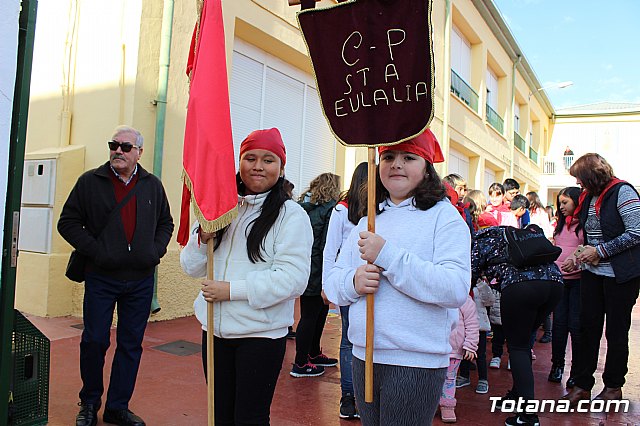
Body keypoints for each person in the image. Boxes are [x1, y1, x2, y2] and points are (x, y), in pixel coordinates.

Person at [324, 129, 471, 425]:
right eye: (388, 157)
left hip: (417, 361)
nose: (396, 164)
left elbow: (454, 288)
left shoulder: (445, 218)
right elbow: (333, 282)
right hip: (364, 357)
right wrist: (353, 282)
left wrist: (388, 257)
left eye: (409, 157)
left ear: (427, 168)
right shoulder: (370, 219)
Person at [180, 128, 313, 425]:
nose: (257, 166)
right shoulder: (219, 206)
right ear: (239, 162)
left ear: (281, 168)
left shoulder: (291, 215)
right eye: (250, 158)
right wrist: (202, 237)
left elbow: (293, 279)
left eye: (268, 160)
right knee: (219, 414)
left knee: (249, 418)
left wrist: (231, 290)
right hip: (214, 331)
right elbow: (190, 267)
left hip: (260, 336)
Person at [58, 125, 174, 426]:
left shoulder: (152, 185)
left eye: (125, 147)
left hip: (140, 279)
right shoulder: (90, 182)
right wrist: (98, 252)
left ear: (139, 152)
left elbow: (166, 223)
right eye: (114, 145)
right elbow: (68, 222)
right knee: (94, 341)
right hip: (102, 277)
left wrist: (155, 251)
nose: (118, 151)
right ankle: (89, 403)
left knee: (131, 345)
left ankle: (117, 407)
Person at [563, 153, 640, 406]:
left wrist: (600, 252)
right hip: (593, 275)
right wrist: (578, 255)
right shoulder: (589, 197)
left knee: (616, 332)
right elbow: (590, 237)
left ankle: (613, 386)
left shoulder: (623, 192)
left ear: (592, 176)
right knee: (587, 329)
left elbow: (636, 232)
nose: (578, 184)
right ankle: (583, 385)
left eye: (580, 179)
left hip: (620, 277)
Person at [472, 224, 562, 426]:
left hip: (521, 287)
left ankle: (529, 416)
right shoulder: (511, 233)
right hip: (555, 284)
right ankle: (516, 395)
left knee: (518, 348)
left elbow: (469, 276)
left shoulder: (477, 242)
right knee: (522, 343)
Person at [322, 161, 368, 419]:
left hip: (368, 283)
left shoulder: (379, 210)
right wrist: (327, 286)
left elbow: (330, 250)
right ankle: (350, 396)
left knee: (352, 341)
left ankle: (353, 397)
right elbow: (331, 249)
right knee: (351, 340)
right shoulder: (342, 210)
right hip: (350, 283)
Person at [291, 173, 341, 378]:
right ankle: (301, 363)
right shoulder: (329, 210)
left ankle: (312, 353)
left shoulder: (302, 207)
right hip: (318, 269)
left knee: (317, 313)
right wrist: (326, 276)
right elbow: (326, 246)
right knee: (312, 316)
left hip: (305, 266)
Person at [547, 187, 583, 388]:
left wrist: (576, 260)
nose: (561, 207)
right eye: (560, 203)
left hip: (578, 282)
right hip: (560, 282)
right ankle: (557, 366)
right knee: (559, 325)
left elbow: (588, 251)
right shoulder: (559, 226)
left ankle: (576, 371)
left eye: (565, 203)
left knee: (576, 326)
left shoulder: (585, 226)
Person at [440, 295, 479, 423]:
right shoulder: (432, 294)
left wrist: (470, 345)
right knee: (429, 377)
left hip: (454, 350)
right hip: (433, 348)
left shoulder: (464, 299)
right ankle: (428, 403)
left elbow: (472, 324)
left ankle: (447, 405)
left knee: (449, 378)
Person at [455, 278, 495, 395]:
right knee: (462, 351)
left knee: (480, 354)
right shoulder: (460, 285)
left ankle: (483, 379)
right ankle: (464, 375)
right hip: (462, 325)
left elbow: (490, 301)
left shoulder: (480, 286)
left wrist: (482, 285)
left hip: (479, 325)